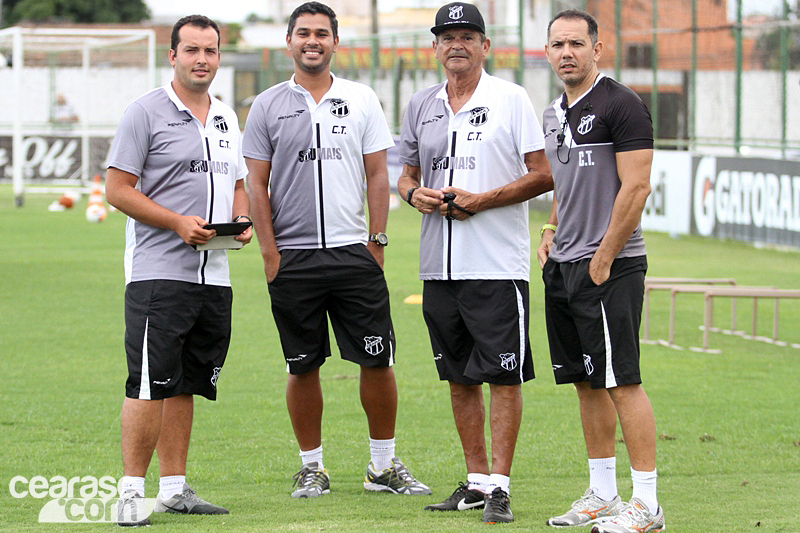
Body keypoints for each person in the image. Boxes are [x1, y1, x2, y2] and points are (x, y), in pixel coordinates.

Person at [243, 1, 430, 499]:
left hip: (354, 254)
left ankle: (382, 467)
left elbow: (377, 173)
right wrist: (269, 253)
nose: (312, 41)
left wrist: (378, 239)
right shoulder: (266, 105)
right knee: (302, 365)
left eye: (322, 33)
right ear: (289, 43)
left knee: (377, 360)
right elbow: (255, 185)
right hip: (293, 257)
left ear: (335, 43)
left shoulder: (362, 98)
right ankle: (312, 467)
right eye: (303, 33)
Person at [396, 2, 553, 524]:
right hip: (438, 268)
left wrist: (482, 199)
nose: (456, 44)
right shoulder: (421, 103)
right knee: (459, 378)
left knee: (504, 378)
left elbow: (543, 173)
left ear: (486, 46)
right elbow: (406, 174)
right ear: (435, 47)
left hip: (496, 265)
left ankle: (503, 487)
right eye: (447, 36)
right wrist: (413, 193)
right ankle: (477, 481)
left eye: (467, 35)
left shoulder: (511, 98)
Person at [106, 14, 251, 526]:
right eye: (191, 50)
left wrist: (242, 219)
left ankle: (174, 488)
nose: (201, 60)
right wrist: (176, 224)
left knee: (186, 383)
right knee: (149, 383)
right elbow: (117, 190)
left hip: (214, 275)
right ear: (173, 56)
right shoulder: (144, 112)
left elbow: (237, 182)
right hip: (157, 273)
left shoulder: (227, 117)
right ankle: (129, 491)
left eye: (210, 51)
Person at [538, 9, 665, 533]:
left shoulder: (622, 104)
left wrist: (604, 257)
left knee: (622, 381)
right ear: (547, 53)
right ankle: (603, 493)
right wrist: (549, 231)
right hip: (564, 266)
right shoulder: (552, 112)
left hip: (608, 267)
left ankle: (648, 504)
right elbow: (566, 189)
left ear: (597, 49)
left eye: (575, 43)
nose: (566, 52)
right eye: (557, 44)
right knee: (587, 384)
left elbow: (636, 188)